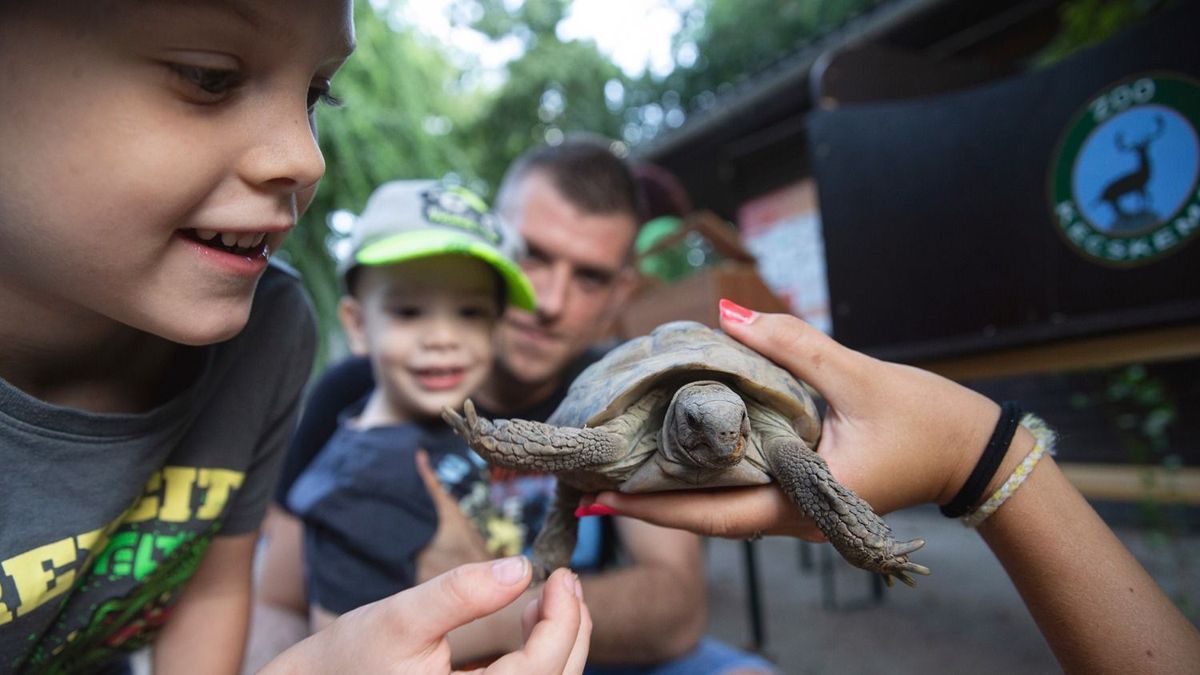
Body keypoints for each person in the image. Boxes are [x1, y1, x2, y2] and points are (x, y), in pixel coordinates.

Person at [0, 3, 588, 673]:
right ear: (358, 323)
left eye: (315, 95)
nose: (307, 159)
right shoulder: (354, 467)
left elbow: (216, 590)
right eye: (208, 75)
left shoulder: (268, 331)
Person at [251, 138, 776, 673]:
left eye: (589, 277)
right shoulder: (358, 397)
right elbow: (276, 601)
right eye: (533, 256)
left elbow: (675, 608)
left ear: (620, 294)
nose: (549, 302)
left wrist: (472, 607)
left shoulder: (626, 391)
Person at [578, 299, 1200, 674]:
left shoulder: (767, 434)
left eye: (737, 427)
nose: (725, 444)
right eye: (701, 427)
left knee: (802, 472)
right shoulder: (624, 415)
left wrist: (959, 457)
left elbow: (811, 478)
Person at [286, 178, 541, 630]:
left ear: (498, 327)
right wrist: (521, 622)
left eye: (471, 313)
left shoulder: (464, 424)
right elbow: (342, 647)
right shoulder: (356, 488)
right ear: (359, 325)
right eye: (408, 312)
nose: (443, 338)